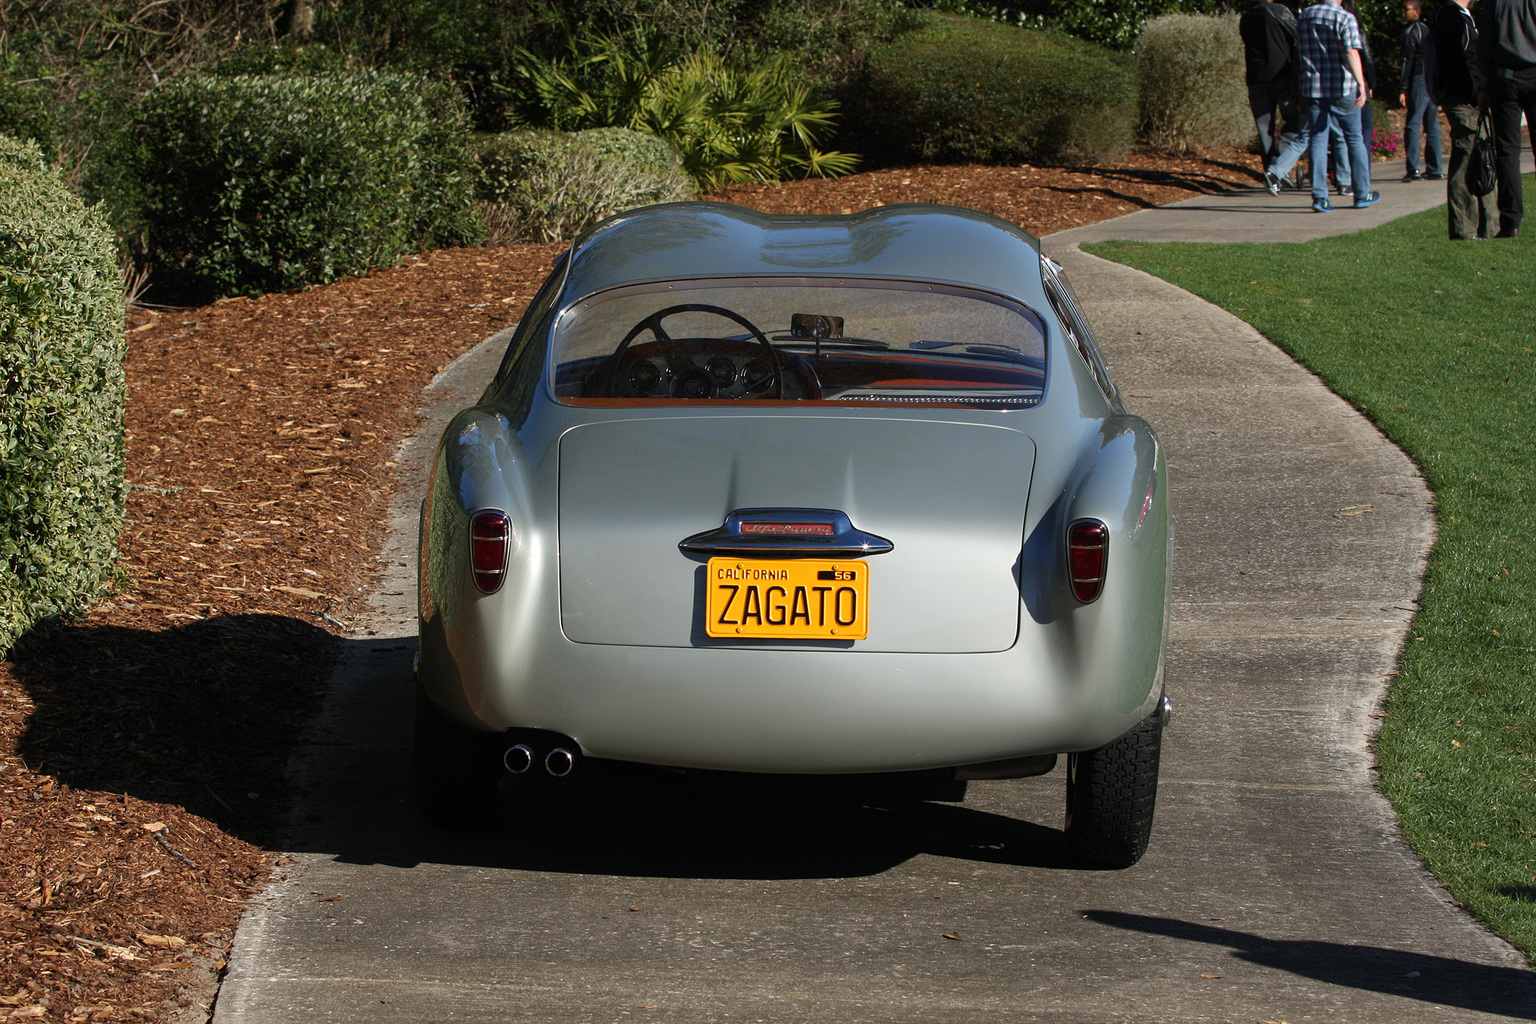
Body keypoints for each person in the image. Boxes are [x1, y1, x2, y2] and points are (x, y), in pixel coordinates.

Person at [1265, 0, 1377, 211]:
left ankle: (1319, 196)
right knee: (1354, 137)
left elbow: (1299, 52)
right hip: (1341, 87)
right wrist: (1361, 83)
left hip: (1313, 87)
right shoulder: (1344, 17)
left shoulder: (1305, 16)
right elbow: (1351, 52)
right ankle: (1362, 192)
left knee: (1317, 138)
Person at [1433, 0, 1491, 238]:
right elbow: (1456, 62)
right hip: (1463, 100)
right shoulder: (1451, 17)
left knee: (1480, 159)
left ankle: (1487, 227)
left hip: (1468, 98)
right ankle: (1464, 230)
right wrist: (1475, 92)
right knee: (1466, 162)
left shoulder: (1459, 15)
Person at [1478, 0, 1536, 237]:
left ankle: (1511, 221)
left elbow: (1485, 43)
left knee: (1508, 152)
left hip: (1505, 78)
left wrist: (1483, 86)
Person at [1242, 0, 1300, 180]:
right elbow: (1297, 35)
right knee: (1297, 119)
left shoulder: (1246, 17)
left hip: (1255, 76)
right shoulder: (1278, 11)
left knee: (1264, 128)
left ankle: (1270, 169)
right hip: (1281, 74)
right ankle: (1279, 164)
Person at [1399, 0, 1445, 181]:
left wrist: (1403, 87)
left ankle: (1413, 168)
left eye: (1406, 9)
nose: (1403, 13)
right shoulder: (1427, 29)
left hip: (1419, 78)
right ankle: (1435, 168)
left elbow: (1407, 60)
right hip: (1431, 78)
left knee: (1413, 123)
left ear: (1416, 11)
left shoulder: (1411, 31)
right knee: (1432, 124)